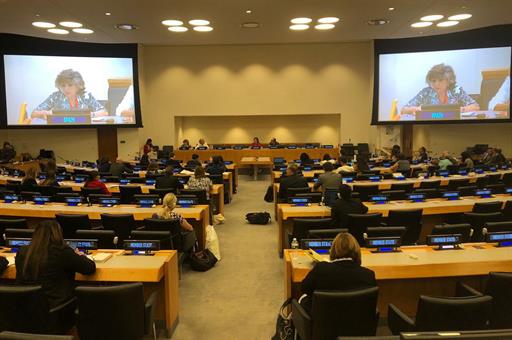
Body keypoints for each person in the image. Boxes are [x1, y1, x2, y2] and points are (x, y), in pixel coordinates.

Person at [15, 221, 96, 309]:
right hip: (57, 309)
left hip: (25, 309)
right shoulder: (62, 252)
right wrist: (81, 256)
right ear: (59, 234)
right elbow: (89, 268)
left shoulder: (22, 252)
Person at [300, 232, 377, 313]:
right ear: (357, 250)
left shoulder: (321, 269)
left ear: (333, 249)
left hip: (324, 321)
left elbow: (305, 289)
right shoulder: (368, 275)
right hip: (357, 323)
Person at [400, 63, 479, 118]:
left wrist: (461, 109)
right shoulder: (426, 92)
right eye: (433, 81)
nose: (436, 84)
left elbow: (476, 107)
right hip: (432, 126)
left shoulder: (456, 90)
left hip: (454, 125)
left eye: (440, 80)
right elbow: (404, 110)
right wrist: (417, 109)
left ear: (448, 81)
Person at [31, 69, 108, 122]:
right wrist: (49, 113)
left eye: (70, 85)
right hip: (60, 130)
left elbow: (104, 113)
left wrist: (91, 114)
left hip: (83, 129)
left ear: (78, 86)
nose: (66, 89)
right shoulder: (55, 96)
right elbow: (34, 113)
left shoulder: (86, 96)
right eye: (63, 85)